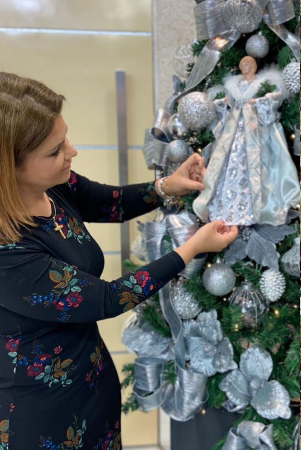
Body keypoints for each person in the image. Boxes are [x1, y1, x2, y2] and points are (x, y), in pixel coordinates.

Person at [0, 72, 238, 449]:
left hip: (92, 385)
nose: (72, 152)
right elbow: (107, 298)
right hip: (41, 416)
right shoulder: (7, 250)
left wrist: (166, 186)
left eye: (65, 138)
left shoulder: (52, 185)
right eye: (55, 151)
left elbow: (108, 202)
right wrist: (191, 248)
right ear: (9, 167)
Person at [193, 55, 300, 226]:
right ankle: (226, 204)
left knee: (258, 160)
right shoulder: (235, 84)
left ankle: (255, 206)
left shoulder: (261, 83)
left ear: (255, 66)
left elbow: (275, 97)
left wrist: (258, 101)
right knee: (228, 159)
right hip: (234, 127)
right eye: (242, 64)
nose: (245, 66)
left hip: (253, 127)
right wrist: (221, 103)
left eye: (248, 64)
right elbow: (227, 102)